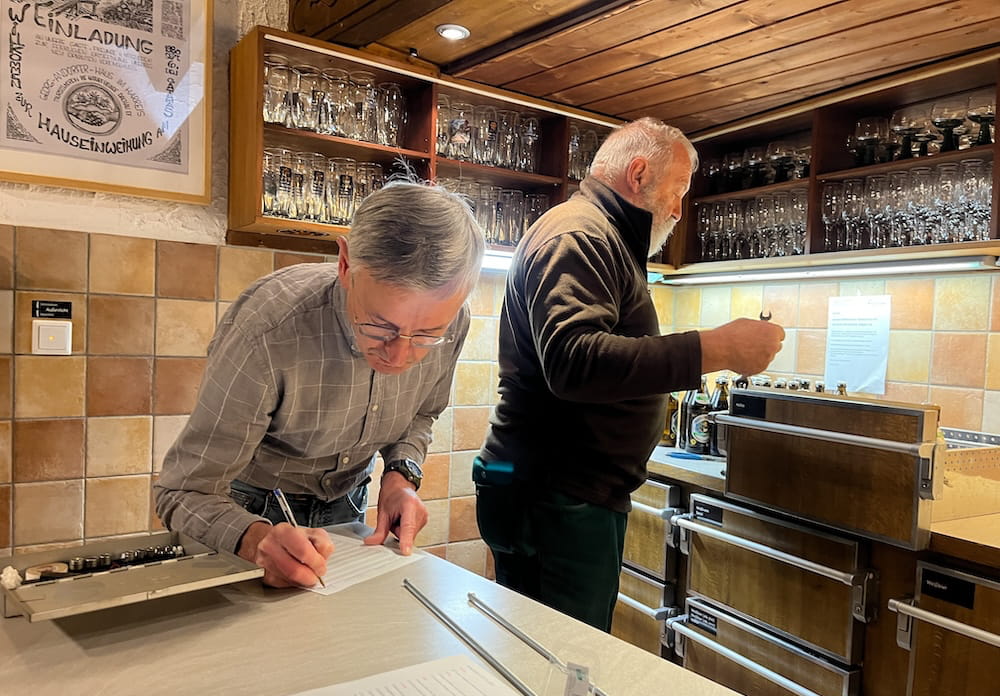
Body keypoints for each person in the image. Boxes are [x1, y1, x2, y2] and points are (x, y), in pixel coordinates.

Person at [474, 118, 784, 631]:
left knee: (542, 653)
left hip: (556, 493)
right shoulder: (581, 234)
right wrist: (718, 347)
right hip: (557, 498)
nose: (679, 210)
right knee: (563, 660)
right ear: (638, 174)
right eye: (678, 190)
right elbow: (575, 361)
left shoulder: (599, 234)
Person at [155, 181, 486, 588]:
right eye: (379, 326)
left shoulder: (455, 322)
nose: (399, 357)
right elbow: (182, 492)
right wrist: (254, 540)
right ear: (345, 265)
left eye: (426, 335)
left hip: (348, 505)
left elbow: (421, 413)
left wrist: (401, 476)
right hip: (246, 508)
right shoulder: (269, 328)